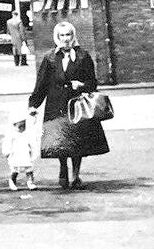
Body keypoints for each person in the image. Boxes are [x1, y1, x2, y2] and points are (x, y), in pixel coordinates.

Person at [28, 20, 109, 189]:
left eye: (68, 35)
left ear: (73, 36)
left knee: (76, 141)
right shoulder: (50, 57)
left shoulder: (83, 56)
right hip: (56, 104)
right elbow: (41, 83)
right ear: (57, 37)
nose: (65, 39)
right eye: (62, 35)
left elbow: (93, 83)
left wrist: (81, 85)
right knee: (60, 140)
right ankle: (63, 167)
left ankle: (75, 175)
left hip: (76, 105)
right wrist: (33, 105)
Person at [1, 107, 37, 190]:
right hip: (16, 154)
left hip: (25, 153)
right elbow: (7, 143)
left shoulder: (27, 132)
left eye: (24, 125)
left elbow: (33, 124)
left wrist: (33, 116)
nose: (22, 128)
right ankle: (12, 181)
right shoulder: (11, 134)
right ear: (14, 125)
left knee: (29, 169)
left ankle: (30, 182)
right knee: (15, 170)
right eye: (20, 126)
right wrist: (7, 152)